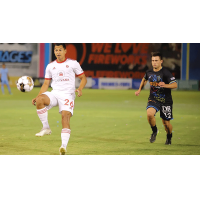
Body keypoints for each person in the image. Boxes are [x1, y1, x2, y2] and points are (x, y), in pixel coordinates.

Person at [32, 43, 87, 155]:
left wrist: (80, 89)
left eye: (60, 50)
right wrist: (38, 96)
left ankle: (63, 146)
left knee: (65, 117)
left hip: (68, 95)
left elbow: (83, 78)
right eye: (56, 50)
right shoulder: (50, 66)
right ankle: (46, 127)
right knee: (40, 100)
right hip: (55, 93)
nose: (58, 52)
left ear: (65, 51)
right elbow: (46, 83)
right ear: (54, 51)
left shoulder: (73, 63)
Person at [135, 52, 177, 145]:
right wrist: (139, 90)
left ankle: (169, 137)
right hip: (154, 99)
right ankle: (154, 131)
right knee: (150, 114)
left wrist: (165, 85)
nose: (154, 62)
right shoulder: (149, 72)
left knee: (166, 124)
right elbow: (144, 79)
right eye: (153, 60)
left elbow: (175, 85)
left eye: (156, 60)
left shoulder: (166, 72)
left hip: (166, 101)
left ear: (161, 61)